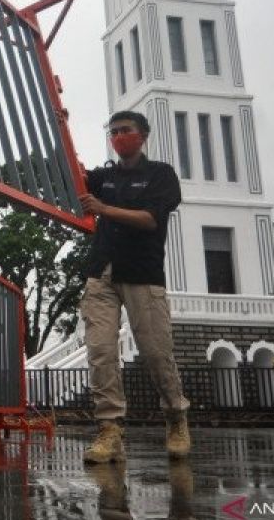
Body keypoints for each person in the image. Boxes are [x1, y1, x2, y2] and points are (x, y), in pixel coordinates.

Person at [78, 110, 190, 463]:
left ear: (142, 135)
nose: (118, 137)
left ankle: (175, 417)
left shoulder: (160, 175)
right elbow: (73, 176)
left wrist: (103, 209)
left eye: (125, 131)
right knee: (100, 351)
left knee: (156, 353)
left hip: (142, 273)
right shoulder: (104, 177)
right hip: (102, 272)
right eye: (112, 132)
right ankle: (110, 431)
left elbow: (150, 220)